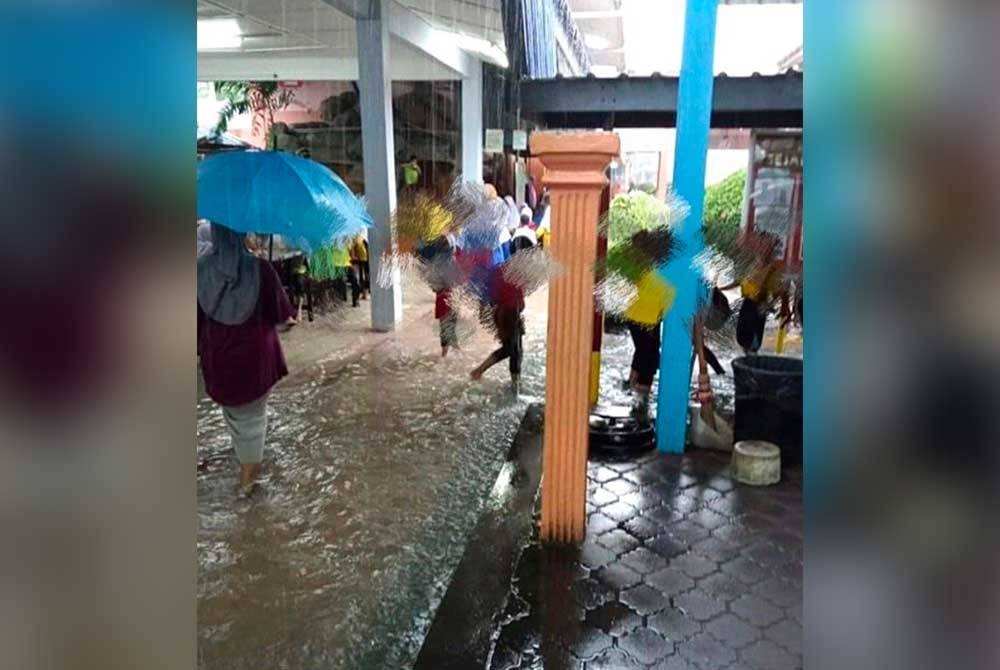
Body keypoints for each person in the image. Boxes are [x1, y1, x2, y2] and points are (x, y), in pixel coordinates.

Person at [198, 223, 296, 497]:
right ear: (240, 234)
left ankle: (245, 462)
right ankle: (247, 482)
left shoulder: (198, 270)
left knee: (234, 414)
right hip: (256, 357)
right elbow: (281, 315)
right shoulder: (261, 269)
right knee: (253, 420)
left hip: (217, 356)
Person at [470, 229, 536, 393]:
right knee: (511, 349)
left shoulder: (507, 269)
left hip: (509, 314)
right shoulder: (512, 271)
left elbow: (491, 291)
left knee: (516, 350)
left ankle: (515, 384)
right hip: (507, 315)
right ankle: (479, 371)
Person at [623, 253, 677, 419]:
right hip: (645, 320)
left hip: (635, 317)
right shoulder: (665, 273)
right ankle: (640, 399)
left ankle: (631, 386)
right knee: (649, 356)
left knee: (644, 352)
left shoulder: (645, 267)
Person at [719, 232, 786, 354]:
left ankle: (751, 363)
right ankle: (748, 359)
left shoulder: (772, 269)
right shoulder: (752, 263)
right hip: (747, 303)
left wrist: (768, 305)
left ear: (771, 249)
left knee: (752, 342)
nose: (761, 247)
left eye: (765, 245)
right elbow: (739, 281)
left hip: (758, 305)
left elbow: (780, 292)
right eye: (760, 244)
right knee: (743, 337)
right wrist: (721, 288)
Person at [332, 242, 360, 307]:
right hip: (336, 265)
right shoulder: (332, 240)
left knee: (355, 281)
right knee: (340, 282)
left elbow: (351, 252)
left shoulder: (346, 240)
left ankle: (355, 300)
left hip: (346, 265)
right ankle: (338, 299)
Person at [350, 232, 370, 300]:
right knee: (365, 277)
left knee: (361, 278)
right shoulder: (364, 237)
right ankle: (365, 294)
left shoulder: (355, 238)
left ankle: (362, 295)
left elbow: (352, 253)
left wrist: (353, 257)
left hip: (360, 260)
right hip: (366, 260)